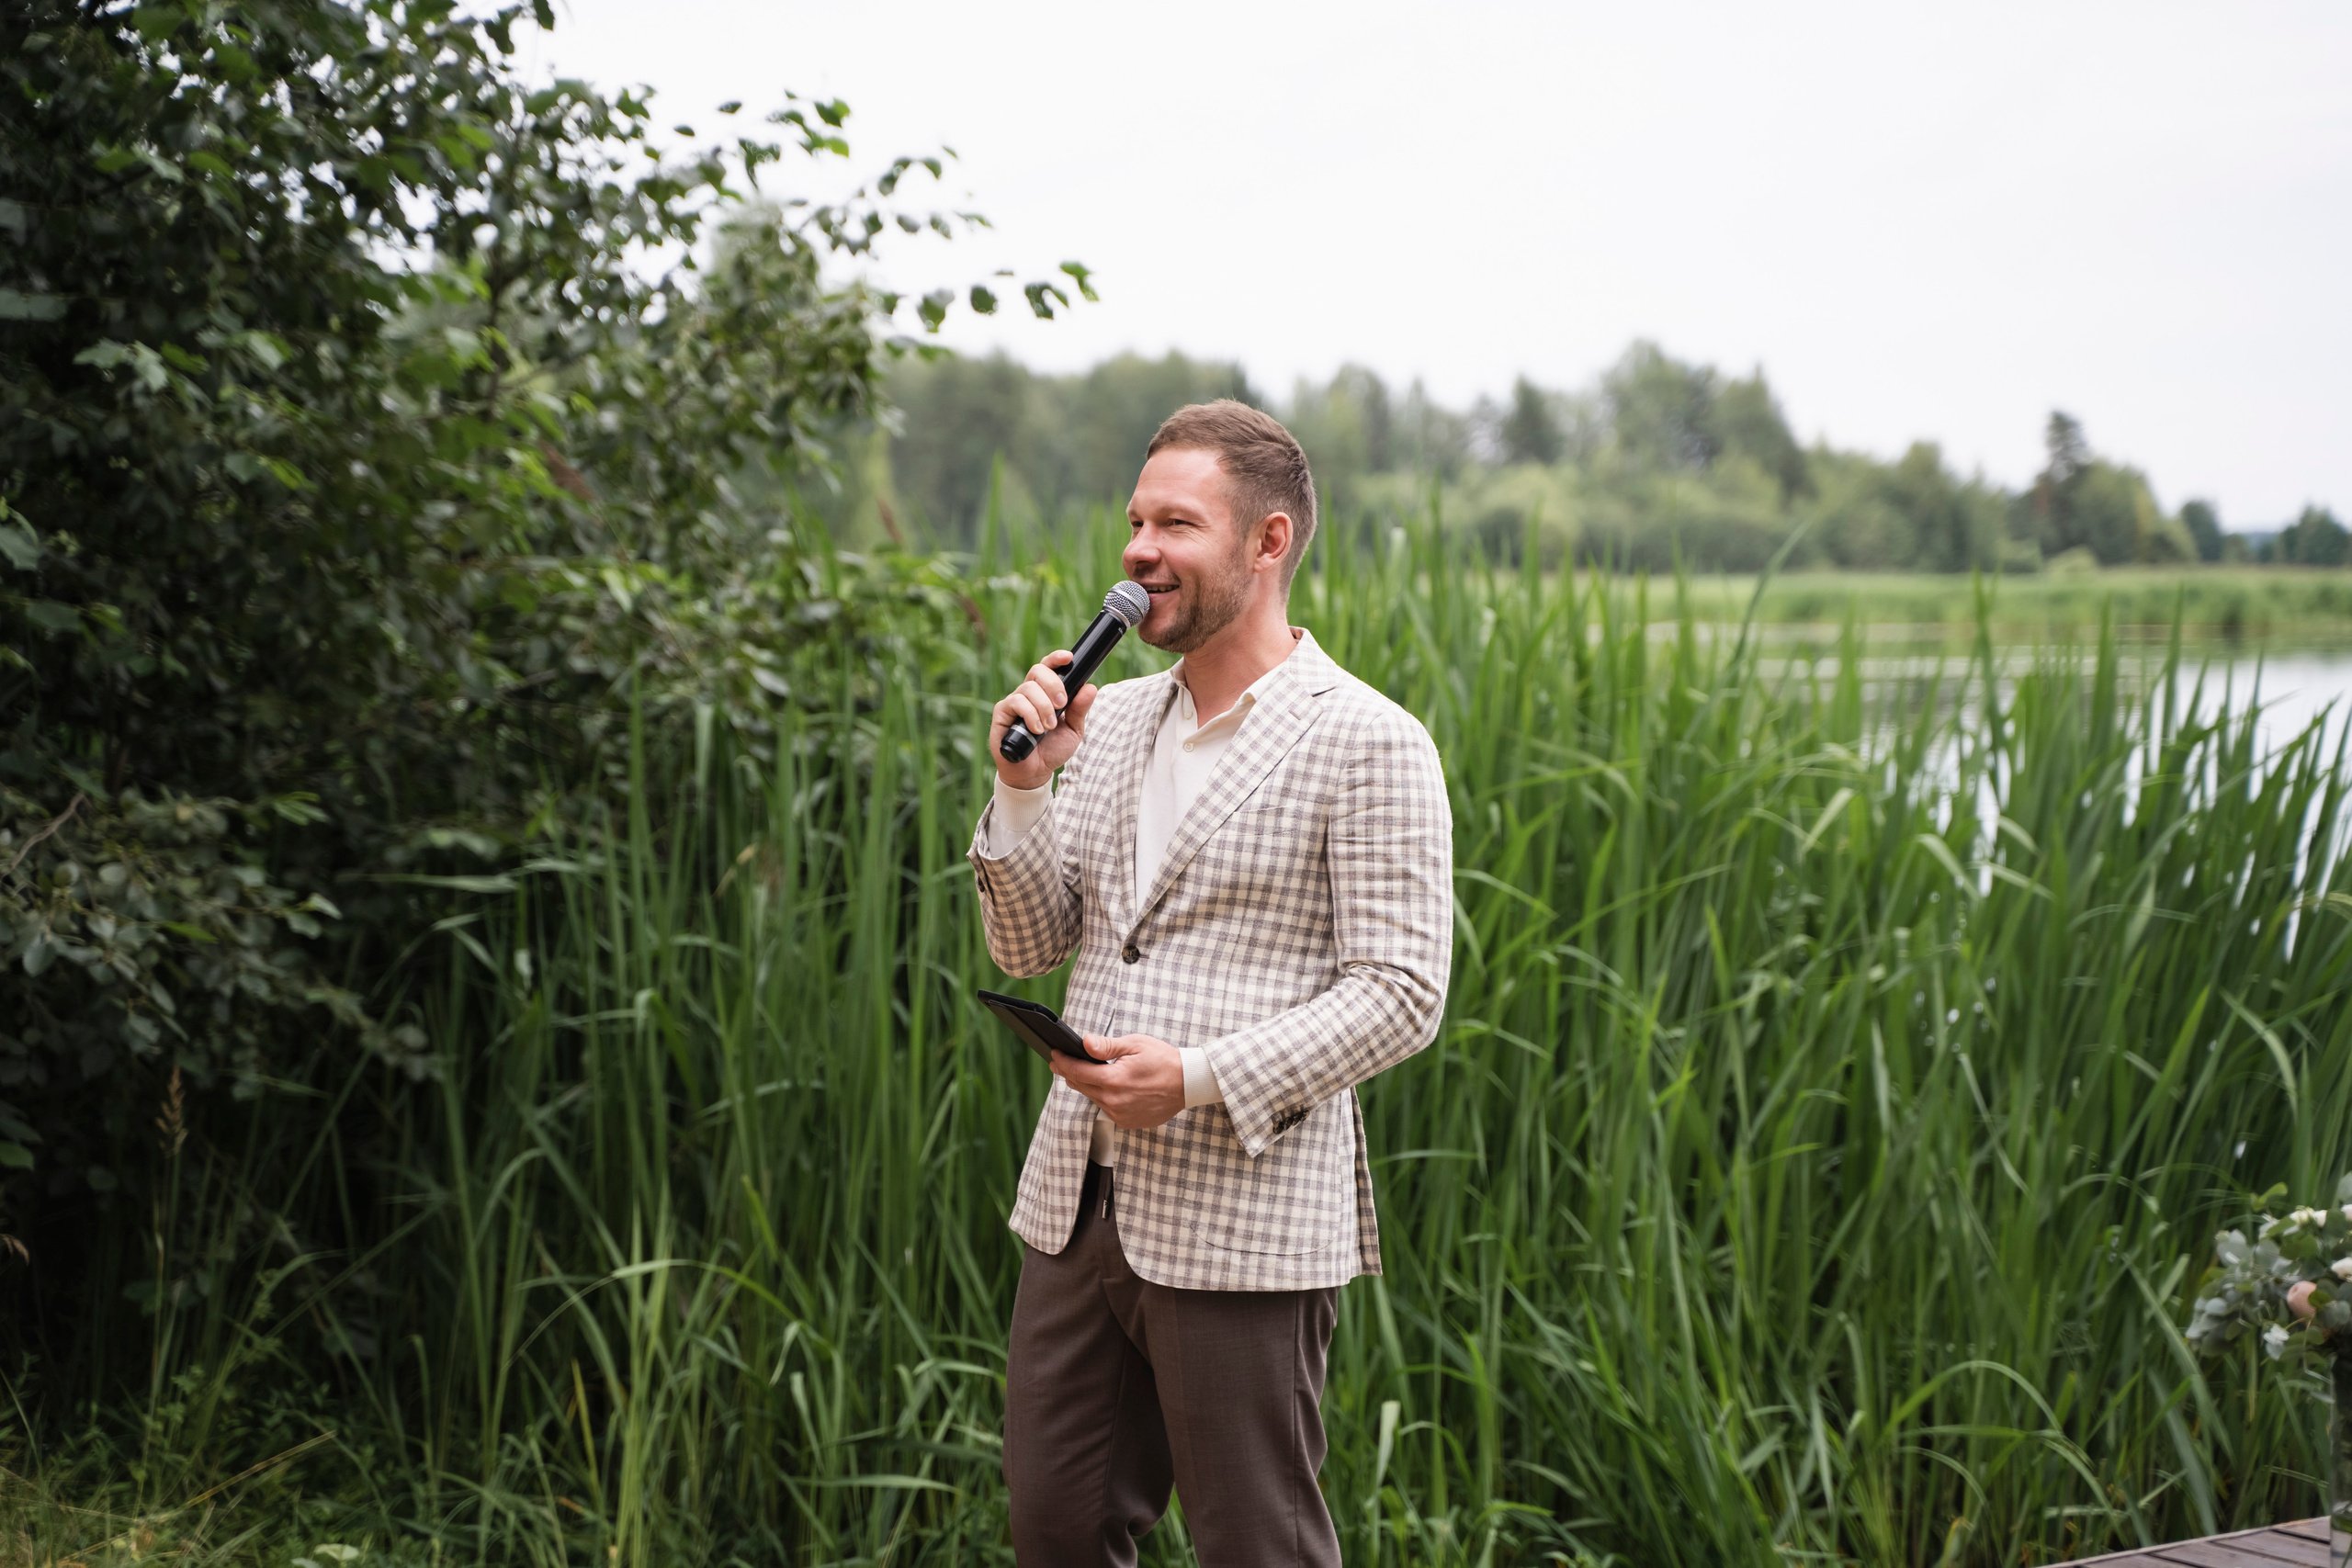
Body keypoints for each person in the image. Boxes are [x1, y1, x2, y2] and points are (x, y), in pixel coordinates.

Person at [968, 400, 1453, 1567]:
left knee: (1256, 1544)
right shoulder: (1110, 720)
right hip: (1078, 1204)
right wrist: (1023, 789)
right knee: (1056, 1530)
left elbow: (1400, 991)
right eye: (1136, 522)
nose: (1138, 551)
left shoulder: (1370, 740)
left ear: (1267, 542)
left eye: (1175, 525)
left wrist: (1192, 1078)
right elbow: (1028, 946)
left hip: (1245, 1214)